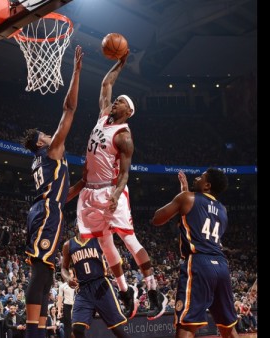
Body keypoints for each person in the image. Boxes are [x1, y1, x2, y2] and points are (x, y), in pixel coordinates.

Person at [66, 50, 166, 320]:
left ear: (128, 112)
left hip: (111, 189)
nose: (115, 102)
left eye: (120, 102)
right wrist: (120, 63)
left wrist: (116, 194)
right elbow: (106, 84)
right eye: (116, 100)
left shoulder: (124, 137)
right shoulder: (102, 116)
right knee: (105, 244)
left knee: (128, 238)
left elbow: (125, 174)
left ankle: (154, 292)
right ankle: (125, 292)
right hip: (90, 191)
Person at [21, 45, 83, 338]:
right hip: (46, 212)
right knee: (41, 272)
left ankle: (39, 331)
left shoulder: (43, 160)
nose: (51, 134)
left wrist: (82, 185)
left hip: (48, 208)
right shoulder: (51, 151)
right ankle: (33, 332)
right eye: (46, 134)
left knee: (46, 273)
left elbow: (62, 195)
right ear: (41, 142)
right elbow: (69, 109)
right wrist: (77, 72)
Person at [150, 169, 239, 338]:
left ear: (207, 185)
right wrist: (184, 191)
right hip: (221, 266)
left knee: (186, 325)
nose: (197, 178)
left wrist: (181, 195)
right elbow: (198, 212)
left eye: (201, 177)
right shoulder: (223, 210)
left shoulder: (187, 198)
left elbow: (157, 219)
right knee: (228, 327)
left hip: (199, 263)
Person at [60, 231, 130, 338]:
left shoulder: (98, 238)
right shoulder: (68, 245)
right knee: (77, 328)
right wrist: (68, 278)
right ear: (76, 226)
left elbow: (114, 255)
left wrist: (112, 265)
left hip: (101, 286)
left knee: (117, 328)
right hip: (83, 289)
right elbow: (63, 268)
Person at [56, 270, 75, 338]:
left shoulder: (77, 284)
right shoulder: (62, 286)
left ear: (73, 274)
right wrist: (58, 311)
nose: (70, 275)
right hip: (67, 306)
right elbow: (60, 299)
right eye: (68, 274)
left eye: (71, 273)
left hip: (76, 306)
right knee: (67, 326)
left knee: (77, 325)